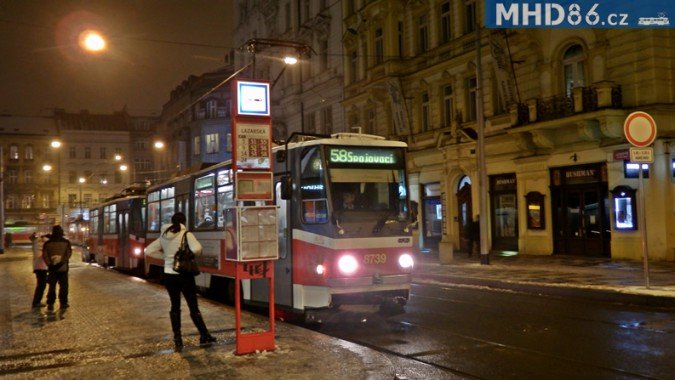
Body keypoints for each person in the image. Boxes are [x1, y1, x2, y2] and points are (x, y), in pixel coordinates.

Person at [145, 212, 216, 351]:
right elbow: (197, 249)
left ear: (171, 222)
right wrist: (189, 254)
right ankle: (204, 334)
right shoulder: (186, 234)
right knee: (193, 306)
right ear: (184, 221)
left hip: (169, 275)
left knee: (174, 306)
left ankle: (178, 338)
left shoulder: (164, 236)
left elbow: (148, 251)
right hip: (184, 274)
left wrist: (165, 257)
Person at [42, 226, 72, 311]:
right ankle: (63, 303)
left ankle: (50, 303)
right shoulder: (66, 242)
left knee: (52, 286)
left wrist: (50, 264)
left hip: (52, 269)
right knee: (64, 286)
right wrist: (62, 262)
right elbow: (68, 254)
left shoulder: (47, 243)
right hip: (63, 268)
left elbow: (45, 255)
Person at [30, 232, 48, 308]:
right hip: (41, 267)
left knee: (41, 285)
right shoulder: (40, 245)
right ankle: (36, 302)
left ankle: (37, 301)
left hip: (39, 267)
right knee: (41, 285)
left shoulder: (35, 244)